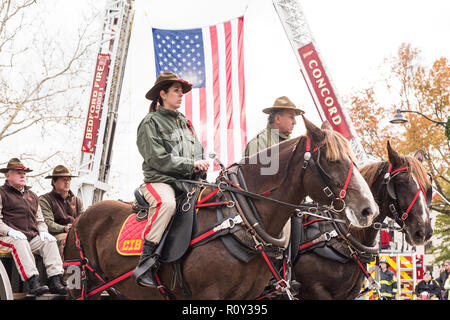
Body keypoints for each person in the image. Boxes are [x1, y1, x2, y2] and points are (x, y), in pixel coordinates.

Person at [132, 72, 209, 287]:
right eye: (176, 90)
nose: (181, 95)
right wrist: (190, 164)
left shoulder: (185, 123)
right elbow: (157, 158)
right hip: (159, 181)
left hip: (188, 183)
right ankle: (146, 263)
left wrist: (201, 164)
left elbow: (198, 151)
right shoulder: (150, 122)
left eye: (181, 91)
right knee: (167, 204)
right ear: (162, 94)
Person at [0, 158, 66, 295]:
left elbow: (40, 220)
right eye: (18, 172)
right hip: (5, 238)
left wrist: (43, 232)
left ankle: (55, 280)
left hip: (29, 237)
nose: (23, 175)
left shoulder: (33, 196)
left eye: (24, 172)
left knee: (49, 242)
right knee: (19, 241)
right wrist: (9, 231)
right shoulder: (1, 193)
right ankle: (33, 281)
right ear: (7, 175)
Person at [39, 165, 84, 255]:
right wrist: (64, 228)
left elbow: (83, 219)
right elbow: (47, 223)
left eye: (69, 179)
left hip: (74, 233)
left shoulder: (77, 201)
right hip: (54, 235)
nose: (67, 182)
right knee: (67, 240)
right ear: (54, 182)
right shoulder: (45, 199)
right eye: (64, 179)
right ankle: (63, 268)